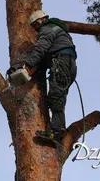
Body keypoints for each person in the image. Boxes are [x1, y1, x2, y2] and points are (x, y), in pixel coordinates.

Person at [23, 10, 77, 143]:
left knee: (56, 97)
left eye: (36, 25)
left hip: (61, 63)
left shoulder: (47, 28)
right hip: (68, 64)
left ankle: (57, 133)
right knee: (56, 97)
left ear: (42, 20)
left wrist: (28, 65)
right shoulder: (59, 30)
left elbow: (41, 48)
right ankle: (57, 128)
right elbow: (48, 54)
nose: (36, 29)